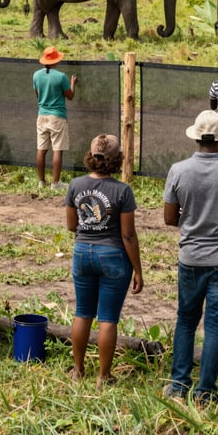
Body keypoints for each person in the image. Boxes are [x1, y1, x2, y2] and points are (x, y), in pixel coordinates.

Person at [163, 110, 218, 401]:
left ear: (196, 137)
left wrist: (191, 219)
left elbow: (168, 217)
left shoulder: (178, 170)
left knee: (186, 320)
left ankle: (178, 385)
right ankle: (205, 390)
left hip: (191, 256)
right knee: (216, 325)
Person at [66, 134, 144, 386]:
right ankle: (104, 376)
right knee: (108, 318)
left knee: (82, 313)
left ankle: (77, 370)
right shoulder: (123, 190)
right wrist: (138, 270)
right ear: (117, 159)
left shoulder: (75, 185)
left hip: (82, 253)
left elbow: (71, 225)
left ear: (91, 157)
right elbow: (128, 236)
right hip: (112, 256)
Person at [33, 45, 77, 191]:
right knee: (57, 149)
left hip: (42, 115)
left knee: (41, 149)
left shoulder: (36, 75)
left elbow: (38, 95)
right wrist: (72, 84)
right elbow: (70, 96)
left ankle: (41, 182)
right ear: (56, 61)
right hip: (57, 117)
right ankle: (55, 183)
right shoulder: (61, 77)